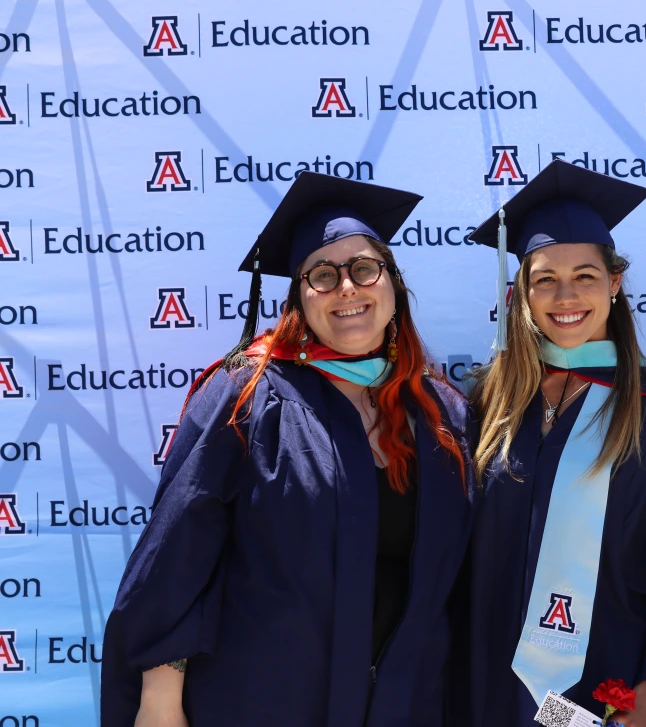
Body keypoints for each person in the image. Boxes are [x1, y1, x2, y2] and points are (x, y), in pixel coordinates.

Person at [100, 172, 475, 727]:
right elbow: (175, 557)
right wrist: (160, 695)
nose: (347, 287)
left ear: (393, 286)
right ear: (300, 297)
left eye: (365, 269)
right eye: (323, 275)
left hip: (403, 703)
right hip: (264, 699)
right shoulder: (247, 398)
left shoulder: (443, 414)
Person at [462, 160, 646, 727]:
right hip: (482, 679)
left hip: (602, 685)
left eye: (586, 276)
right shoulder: (487, 402)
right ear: (521, 292)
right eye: (545, 278)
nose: (565, 295)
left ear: (614, 283)